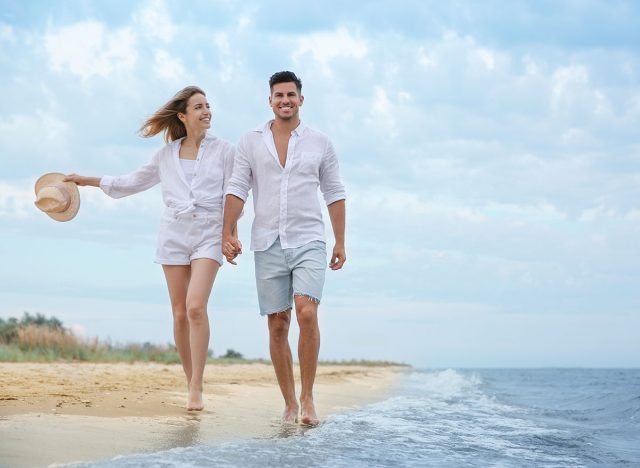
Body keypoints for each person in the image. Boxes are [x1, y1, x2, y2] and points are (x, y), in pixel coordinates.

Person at [64, 86, 236, 411]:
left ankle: (197, 385)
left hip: (209, 233)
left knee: (196, 307)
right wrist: (85, 180)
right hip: (173, 233)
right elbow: (131, 182)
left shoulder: (226, 151)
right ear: (183, 116)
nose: (206, 111)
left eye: (208, 105)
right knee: (179, 313)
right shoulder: (165, 155)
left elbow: (235, 194)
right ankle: (189, 382)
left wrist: (230, 234)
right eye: (199, 107)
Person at [222, 71, 346, 426]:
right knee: (278, 324)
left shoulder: (320, 142)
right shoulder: (250, 142)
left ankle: (308, 398)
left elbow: (334, 191)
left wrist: (340, 240)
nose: (285, 100)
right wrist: (226, 231)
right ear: (270, 101)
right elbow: (237, 187)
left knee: (307, 312)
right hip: (267, 240)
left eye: (291, 95)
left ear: (301, 100)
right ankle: (289, 403)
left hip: (309, 238)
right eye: (279, 95)